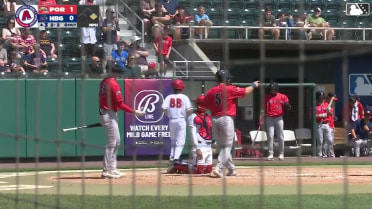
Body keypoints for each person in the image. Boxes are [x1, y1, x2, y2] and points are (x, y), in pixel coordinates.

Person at [204, 69, 259, 178]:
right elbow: (246, 91)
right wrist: (253, 85)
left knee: (223, 145)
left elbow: (205, 106)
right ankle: (219, 168)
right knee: (227, 146)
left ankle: (232, 169)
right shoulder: (229, 89)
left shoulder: (211, 91)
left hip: (215, 119)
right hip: (226, 119)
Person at [98, 69, 145, 179]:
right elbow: (120, 104)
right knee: (112, 142)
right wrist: (134, 112)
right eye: (118, 73)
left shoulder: (104, 81)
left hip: (106, 112)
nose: (119, 75)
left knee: (117, 140)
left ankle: (112, 168)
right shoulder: (113, 84)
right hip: (108, 113)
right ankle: (106, 170)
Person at [168, 94, 213, 174]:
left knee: (208, 170)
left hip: (208, 146)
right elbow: (193, 134)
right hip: (199, 146)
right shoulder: (193, 117)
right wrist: (197, 148)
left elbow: (209, 131)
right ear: (199, 105)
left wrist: (212, 143)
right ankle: (176, 165)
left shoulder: (208, 116)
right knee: (198, 170)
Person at [161, 79, 193, 163]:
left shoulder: (169, 97)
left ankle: (172, 156)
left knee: (173, 140)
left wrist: (169, 115)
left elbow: (164, 109)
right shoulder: (184, 97)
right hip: (181, 120)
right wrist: (185, 116)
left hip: (172, 120)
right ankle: (176, 158)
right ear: (182, 87)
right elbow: (189, 110)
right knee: (180, 140)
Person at [265, 81, 291, 161]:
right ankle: (270, 154)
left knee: (280, 136)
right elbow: (264, 108)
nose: (272, 90)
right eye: (271, 89)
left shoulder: (282, 96)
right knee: (270, 136)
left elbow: (289, 107)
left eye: (273, 89)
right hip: (269, 118)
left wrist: (287, 105)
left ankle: (281, 153)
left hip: (279, 118)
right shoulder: (267, 97)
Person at [102, 8, 120, 72]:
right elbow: (104, 29)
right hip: (107, 42)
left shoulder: (114, 21)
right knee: (106, 57)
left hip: (114, 42)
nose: (112, 15)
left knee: (116, 57)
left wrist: (117, 24)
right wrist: (112, 27)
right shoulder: (105, 21)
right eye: (110, 13)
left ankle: (115, 70)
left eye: (112, 13)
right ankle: (104, 71)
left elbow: (118, 29)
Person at [315, 90, 332, 158]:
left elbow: (331, 114)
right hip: (319, 124)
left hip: (326, 124)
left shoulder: (326, 104)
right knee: (320, 141)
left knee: (329, 140)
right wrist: (321, 115)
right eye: (320, 97)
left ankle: (328, 154)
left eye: (322, 97)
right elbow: (312, 115)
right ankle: (320, 155)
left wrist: (329, 111)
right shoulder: (314, 105)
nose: (321, 98)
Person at [325, 92, 337, 158]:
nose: (333, 101)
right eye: (332, 99)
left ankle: (330, 156)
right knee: (329, 142)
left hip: (331, 126)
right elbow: (327, 108)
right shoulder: (325, 104)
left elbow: (331, 117)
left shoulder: (330, 105)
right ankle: (331, 156)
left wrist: (333, 126)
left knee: (330, 142)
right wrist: (331, 100)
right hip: (327, 126)